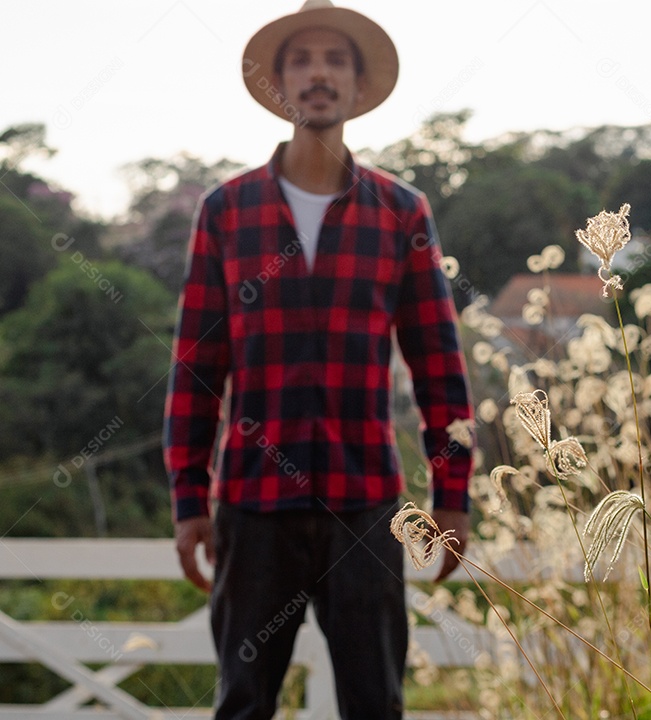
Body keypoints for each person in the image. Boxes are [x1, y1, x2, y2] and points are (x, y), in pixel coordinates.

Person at [163, 2, 474, 718]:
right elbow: (196, 368)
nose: (318, 74)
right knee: (243, 705)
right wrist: (188, 498)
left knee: (376, 704)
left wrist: (453, 495)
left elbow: (437, 363)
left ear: (358, 86)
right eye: (301, 60)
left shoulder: (401, 212)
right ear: (278, 84)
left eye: (336, 60)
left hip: (364, 507)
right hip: (252, 508)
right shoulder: (226, 211)